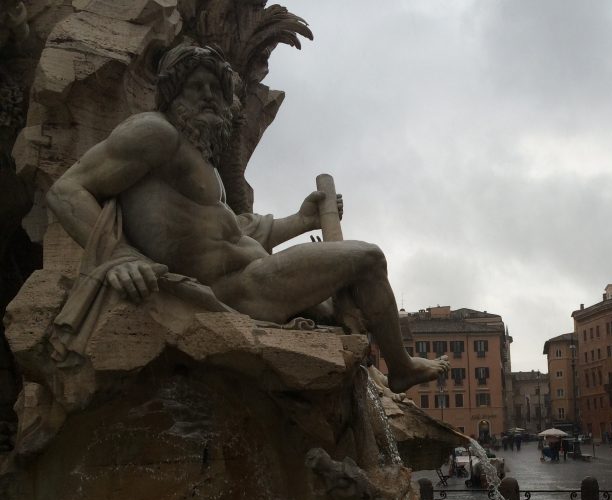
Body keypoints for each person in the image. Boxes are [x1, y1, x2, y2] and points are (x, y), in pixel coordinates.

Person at [45, 43, 447, 393]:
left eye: (215, 89)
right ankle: (401, 368)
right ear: (172, 93)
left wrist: (301, 220)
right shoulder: (154, 133)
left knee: (338, 310)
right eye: (195, 86)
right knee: (369, 258)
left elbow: (237, 232)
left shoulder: (202, 164)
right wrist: (119, 256)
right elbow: (66, 190)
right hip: (237, 291)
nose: (207, 96)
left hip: (257, 277)